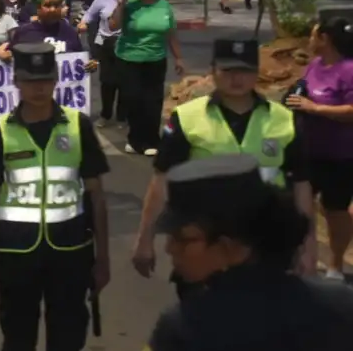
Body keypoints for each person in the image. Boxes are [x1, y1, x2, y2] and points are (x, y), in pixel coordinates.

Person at [132, 38, 315, 300]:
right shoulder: (187, 118)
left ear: (257, 72)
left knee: (265, 319)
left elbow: (301, 185)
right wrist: (145, 238)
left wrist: (307, 247)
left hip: (267, 242)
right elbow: (161, 181)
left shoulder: (284, 119)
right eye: (228, 70)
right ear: (213, 70)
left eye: (244, 70)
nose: (236, 78)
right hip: (204, 246)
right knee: (203, 318)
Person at [0, 43, 111, 351]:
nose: (39, 88)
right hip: (16, 256)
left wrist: (103, 259)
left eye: (46, 79)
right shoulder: (1, 132)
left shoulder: (78, 126)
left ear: (56, 80)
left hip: (71, 252)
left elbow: (97, 197)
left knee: (68, 337)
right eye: (31, 80)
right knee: (18, 338)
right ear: (16, 81)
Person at [146, 155, 353, 351]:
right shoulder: (341, 303)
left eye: (183, 239)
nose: (169, 248)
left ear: (230, 247)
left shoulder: (183, 327)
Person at [287, 7, 353, 280]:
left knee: (335, 211)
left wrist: (314, 108)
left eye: (314, 35)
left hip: (340, 156)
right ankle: (303, 259)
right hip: (308, 151)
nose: (310, 39)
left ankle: (336, 265)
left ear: (325, 38)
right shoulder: (315, 65)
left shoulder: (349, 70)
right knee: (299, 206)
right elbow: (303, 91)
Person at [108, 0, 184, 156]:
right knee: (133, 99)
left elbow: (171, 34)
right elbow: (113, 25)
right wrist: (120, 5)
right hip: (129, 59)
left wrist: (179, 58)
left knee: (153, 101)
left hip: (156, 59)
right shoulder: (131, 3)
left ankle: (151, 140)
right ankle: (135, 140)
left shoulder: (164, 7)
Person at [79, 0, 128, 127]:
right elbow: (90, 13)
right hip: (104, 41)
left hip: (124, 42)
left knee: (124, 81)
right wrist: (84, 22)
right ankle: (105, 114)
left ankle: (122, 116)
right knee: (106, 81)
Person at [8, 0, 83, 55]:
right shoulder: (23, 32)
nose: (52, 10)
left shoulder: (70, 32)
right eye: (48, 5)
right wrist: (5, 55)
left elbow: (79, 58)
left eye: (56, 5)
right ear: (38, 8)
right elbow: (11, 56)